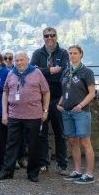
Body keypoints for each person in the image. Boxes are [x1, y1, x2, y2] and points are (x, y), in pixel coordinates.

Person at [0, 51, 50, 183]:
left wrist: (46, 110)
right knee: (11, 144)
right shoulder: (11, 73)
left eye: (21, 60)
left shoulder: (36, 73)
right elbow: (5, 93)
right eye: (17, 60)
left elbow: (46, 92)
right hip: (14, 115)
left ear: (27, 60)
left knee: (33, 145)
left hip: (33, 115)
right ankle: (7, 171)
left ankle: (32, 173)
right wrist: (4, 113)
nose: (19, 62)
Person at [31, 27, 69, 172]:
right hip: (40, 98)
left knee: (60, 132)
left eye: (52, 35)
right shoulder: (37, 53)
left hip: (58, 98)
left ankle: (62, 164)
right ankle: (43, 162)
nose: (49, 38)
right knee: (42, 132)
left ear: (56, 36)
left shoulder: (63, 53)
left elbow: (64, 70)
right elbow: (33, 70)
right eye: (46, 36)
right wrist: (50, 71)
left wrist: (43, 71)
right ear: (43, 37)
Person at [59, 45, 96, 184]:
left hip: (81, 112)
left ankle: (90, 174)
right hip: (67, 112)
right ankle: (77, 171)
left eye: (75, 53)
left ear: (81, 54)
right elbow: (65, 91)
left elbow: (92, 93)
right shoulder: (66, 71)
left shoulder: (86, 72)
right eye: (70, 53)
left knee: (85, 142)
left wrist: (80, 106)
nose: (72, 55)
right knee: (72, 141)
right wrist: (60, 103)